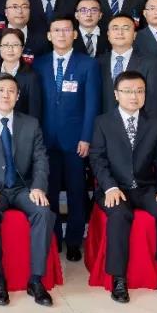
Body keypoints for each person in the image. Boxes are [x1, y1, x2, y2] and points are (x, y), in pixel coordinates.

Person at [90, 70, 157, 305]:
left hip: (145, 188)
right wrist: (110, 187)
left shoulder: (154, 123)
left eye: (139, 91)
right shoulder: (103, 122)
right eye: (127, 91)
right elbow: (97, 159)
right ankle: (119, 279)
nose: (134, 96)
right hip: (114, 188)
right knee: (119, 214)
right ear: (116, 94)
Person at [0, 72, 57, 305]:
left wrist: (38, 187)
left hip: (22, 188)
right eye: (1, 90)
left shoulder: (31, 123)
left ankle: (36, 280)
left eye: (11, 91)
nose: (6, 95)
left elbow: (41, 159)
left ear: (18, 96)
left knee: (43, 212)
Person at [33, 15, 100, 259]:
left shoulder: (87, 64)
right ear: (49, 35)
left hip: (76, 141)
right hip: (46, 140)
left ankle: (73, 241)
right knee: (48, 192)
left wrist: (86, 137)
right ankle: (52, 239)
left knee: (76, 192)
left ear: (74, 34)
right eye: (57, 30)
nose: (61, 34)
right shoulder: (38, 64)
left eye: (66, 30)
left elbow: (92, 104)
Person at [98, 13, 157, 115]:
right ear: (108, 35)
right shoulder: (98, 62)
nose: (120, 32)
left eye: (126, 28)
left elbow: (153, 100)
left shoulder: (149, 63)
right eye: (115, 28)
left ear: (134, 35)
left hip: (139, 122)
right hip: (103, 122)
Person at [0, 28, 42, 119]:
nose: (10, 49)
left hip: (22, 126)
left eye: (15, 45)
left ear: (22, 48)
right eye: (6, 45)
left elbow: (34, 113)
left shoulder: (31, 77)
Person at [0, 0, 47, 66]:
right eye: (15, 7)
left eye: (24, 7)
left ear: (29, 11)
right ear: (6, 12)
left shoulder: (42, 40)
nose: (20, 11)